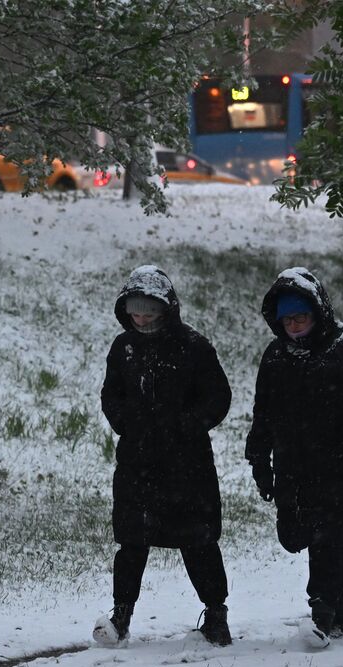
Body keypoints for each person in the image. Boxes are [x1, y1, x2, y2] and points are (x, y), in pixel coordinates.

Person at [244, 267, 343, 644]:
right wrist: (259, 461)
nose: (294, 326)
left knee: (326, 537)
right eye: (287, 320)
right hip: (295, 466)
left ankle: (321, 612)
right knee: (318, 538)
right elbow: (263, 412)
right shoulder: (277, 357)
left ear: (318, 313)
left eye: (301, 317)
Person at [95, 265, 233, 647]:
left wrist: (186, 425)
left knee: (199, 541)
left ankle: (216, 614)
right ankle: (120, 616)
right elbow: (111, 396)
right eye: (135, 311)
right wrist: (127, 423)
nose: (141, 318)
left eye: (149, 311)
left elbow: (218, 397)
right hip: (137, 462)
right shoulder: (122, 348)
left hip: (188, 465)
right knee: (132, 541)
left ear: (166, 309)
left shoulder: (194, 347)